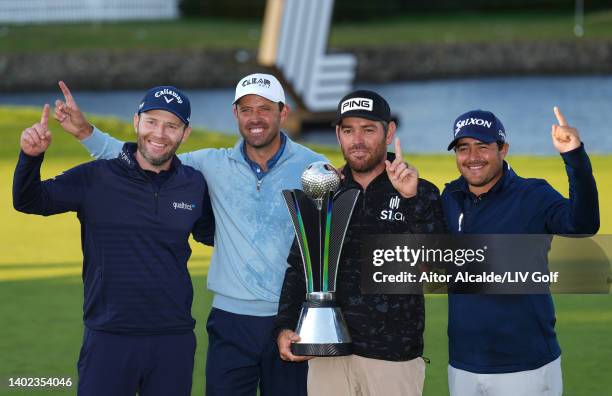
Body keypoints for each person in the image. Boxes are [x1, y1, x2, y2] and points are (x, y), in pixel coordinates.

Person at [53, 74, 324, 395]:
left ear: (284, 112)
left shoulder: (313, 167)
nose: (255, 118)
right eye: (246, 109)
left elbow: (330, 239)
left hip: (291, 318)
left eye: (264, 109)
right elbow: (146, 159)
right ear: (235, 114)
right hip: (230, 320)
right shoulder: (209, 164)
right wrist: (86, 133)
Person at [13, 86, 215, 396]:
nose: (159, 133)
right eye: (151, 121)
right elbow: (29, 200)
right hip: (108, 336)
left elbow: (212, 234)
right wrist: (30, 157)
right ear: (136, 122)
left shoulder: (193, 184)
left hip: (173, 339)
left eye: (171, 125)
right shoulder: (95, 177)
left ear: (185, 133)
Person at [274, 90, 446, 396]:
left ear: (389, 132)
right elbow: (300, 266)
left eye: (368, 130)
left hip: (393, 356)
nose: (358, 140)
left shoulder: (420, 192)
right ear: (338, 134)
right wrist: (285, 325)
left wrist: (410, 200)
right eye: (348, 130)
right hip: (328, 352)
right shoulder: (325, 192)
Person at [441, 108, 599, 395]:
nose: (472, 157)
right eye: (463, 148)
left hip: (526, 366)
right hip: (463, 365)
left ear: (503, 149)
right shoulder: (450, 197)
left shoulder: (534, 195)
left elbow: (583, 224)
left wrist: (574, 156)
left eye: (483, 147)